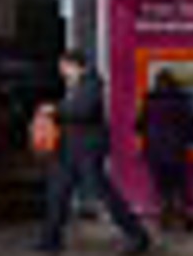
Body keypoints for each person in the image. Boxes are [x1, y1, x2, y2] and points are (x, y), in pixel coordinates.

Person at [34, 51, 150, 255]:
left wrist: (55, 110)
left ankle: (137, 235)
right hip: (68, 150)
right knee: (57, 194)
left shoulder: (91, 84)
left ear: (74, 65)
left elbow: (83, 110)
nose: (61, 72)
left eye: (63, 67)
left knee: (104, 194)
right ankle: (50, 240)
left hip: (87, 150)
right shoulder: (75, 86)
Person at [137, 69, 193, 231]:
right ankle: (182, 221)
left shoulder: (149, 100)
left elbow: (139, 125)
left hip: (155, 151)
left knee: (162, 187)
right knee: (178, 186)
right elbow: (191, 124)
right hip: (175, 149)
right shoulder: (180, 100)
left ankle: (164, 220)